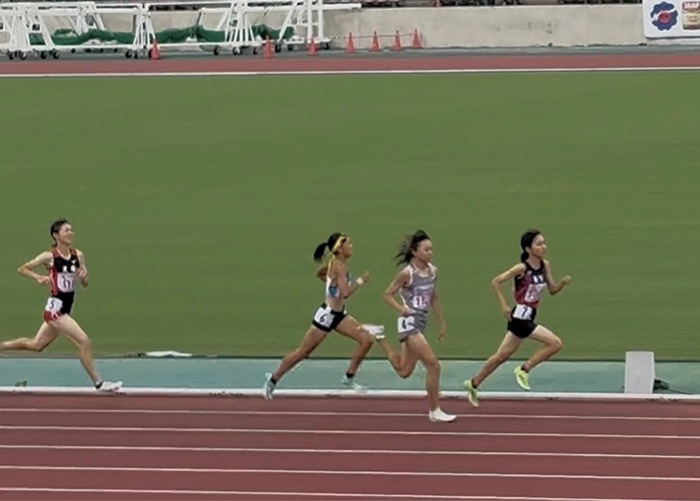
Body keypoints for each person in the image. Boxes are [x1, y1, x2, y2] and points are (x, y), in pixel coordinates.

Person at [0, 219, 122, 392]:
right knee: (84, 341)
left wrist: (84, 277)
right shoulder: (49, 256)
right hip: (56, 310)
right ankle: (99, 383)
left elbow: (85, 283)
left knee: (36, 345)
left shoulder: (78, 255)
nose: (71, 233)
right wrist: (38, 278)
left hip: (66, 308)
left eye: (71, 230)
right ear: (56, 235)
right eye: (66, 230)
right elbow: (23, 268)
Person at [263, 232, 384, 400]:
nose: (351, 246)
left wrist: (331, 288)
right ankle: (273, 378)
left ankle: (349, 376)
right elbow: (346, 293)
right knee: (303, 352)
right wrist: (360, 281)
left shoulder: (334, 264)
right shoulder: (339, 267)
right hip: (326, 316)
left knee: (366, 339)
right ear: (339, 248)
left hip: (339, 315)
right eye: (348, 244)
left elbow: (320, 274)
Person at [463, 229, 571, 407]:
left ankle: (473, 383)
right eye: (538, 244)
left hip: (528, 315)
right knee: (555, 343)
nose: (543, 247)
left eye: (543, 243)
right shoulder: (521, 268)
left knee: (501, 356)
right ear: (528, 249)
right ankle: (524, 369)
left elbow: (552, 290)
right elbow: (496, 282)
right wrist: (504, 306)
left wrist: (562, 284)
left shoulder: (545, 266)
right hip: (520, 317)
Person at [372, 229, 456, 423]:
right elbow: (387, 294)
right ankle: (434, 410)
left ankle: (379, 337)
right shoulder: (407, 274)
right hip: (409, 323)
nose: (430, 253)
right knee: (434, 365)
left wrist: (442, 322)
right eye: (426, 249)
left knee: (404, 371)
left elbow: (433, 297)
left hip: (421, 321)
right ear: (414, 252)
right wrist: (401, 308)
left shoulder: (433, 271)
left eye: (431, 249)